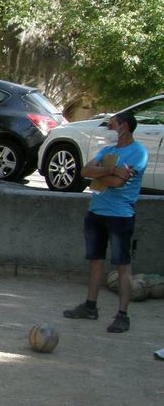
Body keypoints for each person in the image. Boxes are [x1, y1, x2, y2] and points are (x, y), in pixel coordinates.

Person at [63, 111, 148, 333]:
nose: (110, 128)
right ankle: (90, 306)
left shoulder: (138, 152)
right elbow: (85, 170)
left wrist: (101, 175)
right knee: (95, 261)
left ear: (125, 127)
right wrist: (109, 170)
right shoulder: (108, 151)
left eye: (113, 124)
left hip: (120, 215)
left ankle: (122, 315)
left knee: (122, 265)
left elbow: (117, 183)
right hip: (96, 212)